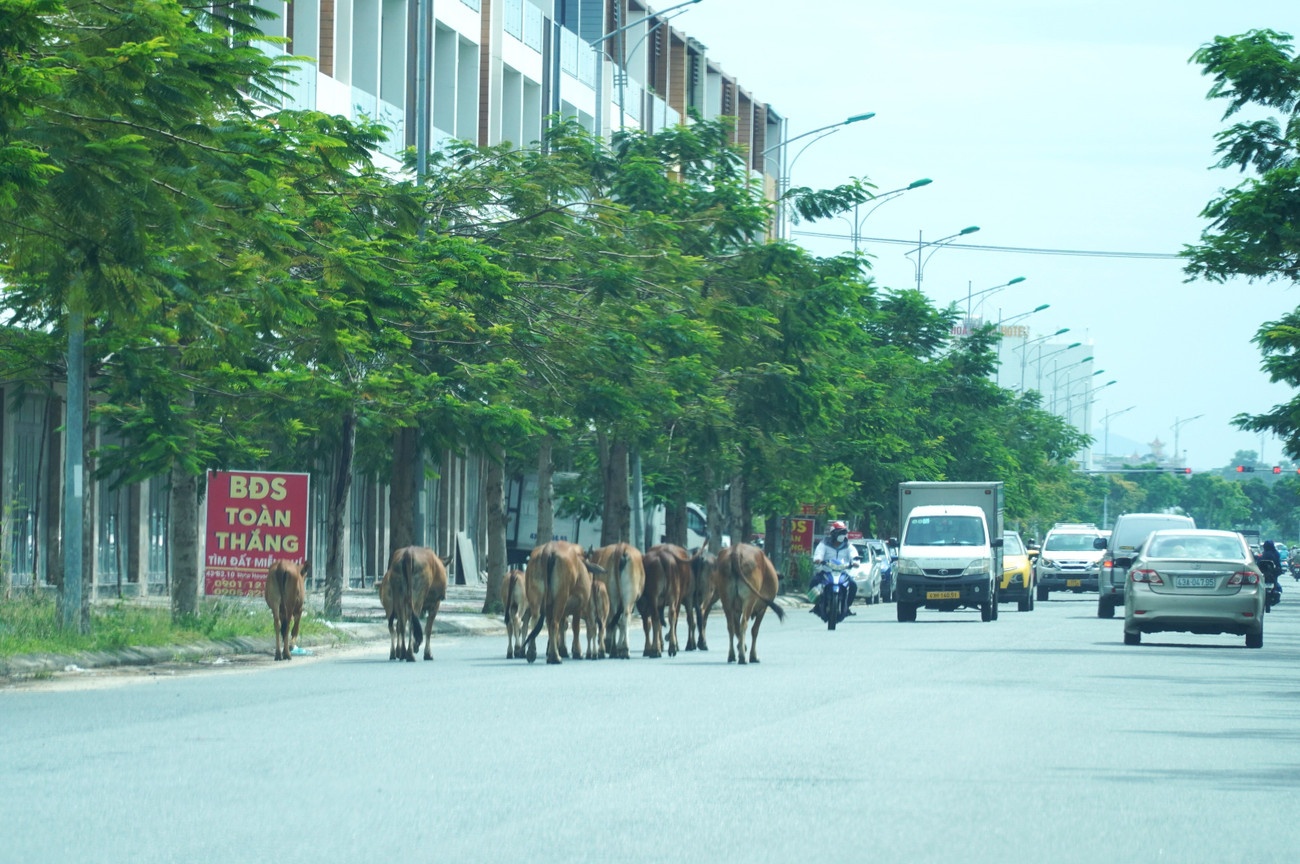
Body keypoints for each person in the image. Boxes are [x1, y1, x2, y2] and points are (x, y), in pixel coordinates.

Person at [810, 520, 860, 619]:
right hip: (826, 572)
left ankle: (848, 607)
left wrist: (855, 562)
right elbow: (819, 554)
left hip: (843, 573)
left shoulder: (849, 546)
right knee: (813, 582)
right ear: (833, 534)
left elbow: (854, 556)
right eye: (840, 533)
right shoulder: (824, 544)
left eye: (844, 533)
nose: (842, 535)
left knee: (853, 585)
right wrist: (818, 559)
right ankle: (816, 605)